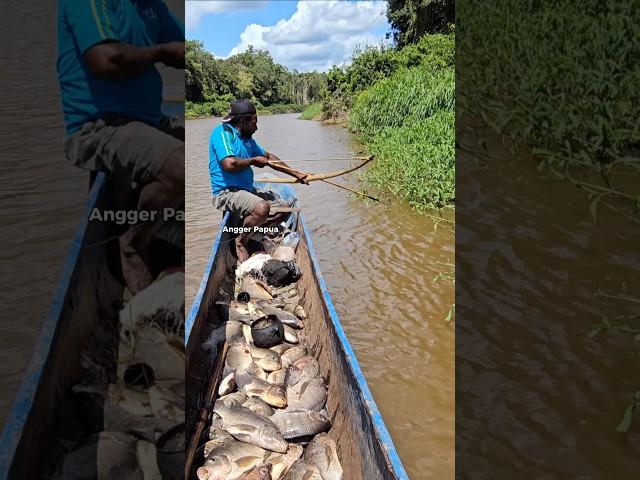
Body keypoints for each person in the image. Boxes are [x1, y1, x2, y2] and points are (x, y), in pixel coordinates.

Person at [57, 0, 185, 294]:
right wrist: (162, 52)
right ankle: (133, 245)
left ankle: (158, 219)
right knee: (180, 168)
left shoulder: (150, 4)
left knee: (205, 156)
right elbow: (105, 60)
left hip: (149, 121)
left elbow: (182, 44)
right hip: (98, 127)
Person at [209, 99, 309, 262]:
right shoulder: (222, 133)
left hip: (246, 190)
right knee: (262, 208)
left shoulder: (247, 139)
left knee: (283, 208)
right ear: (243, 121)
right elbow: (229, 164)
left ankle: (246, 224)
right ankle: (240, 242)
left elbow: (269, 157)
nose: (257, 127)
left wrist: (296, 174)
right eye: (254, 122)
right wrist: (253, 161)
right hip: (227, 193)